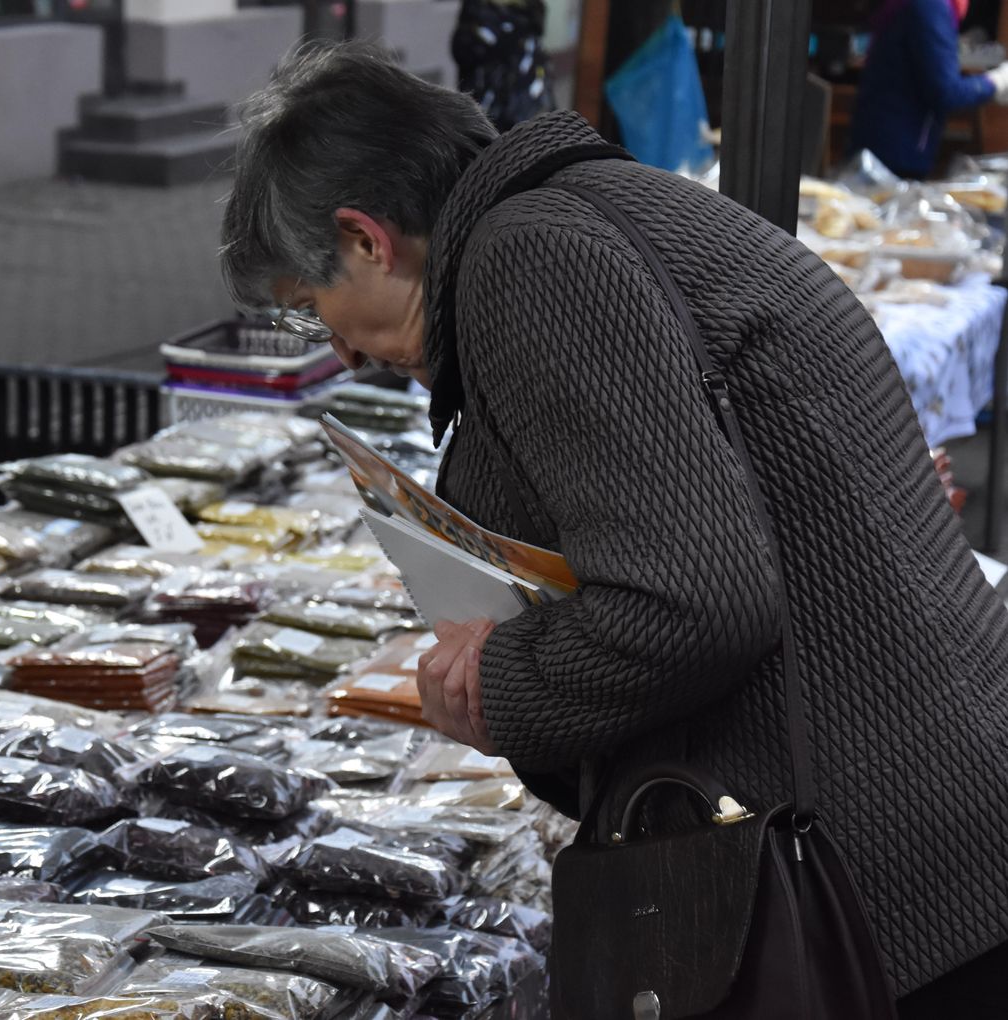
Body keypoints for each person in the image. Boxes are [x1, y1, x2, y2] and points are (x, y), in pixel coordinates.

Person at [220, 43, 1008, 1016]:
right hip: (929, 830)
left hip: (881, 883)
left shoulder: (532, 260)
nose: (339, 352)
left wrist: (499, 686)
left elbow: (694, 602)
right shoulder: (595, 209)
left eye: (311, 311)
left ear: (366, 239)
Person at [851, 0, 1008, 178]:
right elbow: (947, 92)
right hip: (895, 152)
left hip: (887, 144)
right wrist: (997, 81)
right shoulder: (931, 6)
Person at [450, 0, 554, 130]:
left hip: (530, 113)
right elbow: (465, 55)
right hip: (490, 117)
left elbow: (537, 68)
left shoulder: (530, 20)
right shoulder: (477, 21)